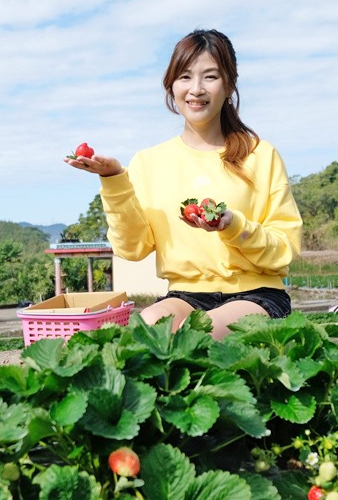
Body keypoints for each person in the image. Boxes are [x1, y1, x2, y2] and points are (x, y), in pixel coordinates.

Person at [64, 29, 303, 340]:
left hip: (257, 295)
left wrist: (233, 226)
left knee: (195, 340)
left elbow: (285, 249)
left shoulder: (260, 154)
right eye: (186, 77)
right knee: (145, 331)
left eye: (211, 77)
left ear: (229, 84)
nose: (196, 89)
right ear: (172, 84)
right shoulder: (148, 162)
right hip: (185, 296)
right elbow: (132, 249)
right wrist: (113, 181)